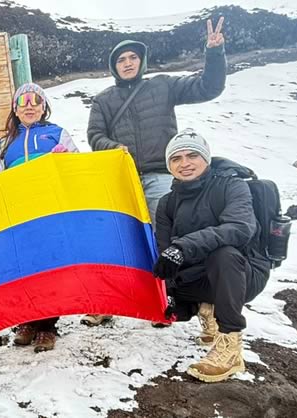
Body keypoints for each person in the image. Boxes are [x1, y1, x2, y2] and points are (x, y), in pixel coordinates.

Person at [84, 17, 228, 327]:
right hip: (121, 179)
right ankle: (110, 302)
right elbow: (95, 136)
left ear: (142, 61)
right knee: (118, 243)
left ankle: (169, 302)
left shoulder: (163, 85)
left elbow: (208, 87)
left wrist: (214, 53)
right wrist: (112, 147)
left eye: (133, 57)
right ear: (114, 66)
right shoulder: (104, 100)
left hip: (161, 177)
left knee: (168, 240)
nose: (127, 63)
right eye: (121, 59)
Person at [154, 130, 270, 383]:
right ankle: (205, 308)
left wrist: (183, 246)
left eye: (192, 155)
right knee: (165, 277)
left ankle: (230, 345)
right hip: (199, 276)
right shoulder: (167, 203)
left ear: (206, 158)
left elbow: (240, 228)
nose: (184, 163)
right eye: (176, 158)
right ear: (169, 165)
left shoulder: (232, 185)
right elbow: (165, 251)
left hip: (242, 274)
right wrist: (170, 294)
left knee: (223, 254)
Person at [0, 82, 77, 352]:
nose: (29, 106)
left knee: (49, 270)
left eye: (35, 101)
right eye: (23, 101)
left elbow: (77, 169)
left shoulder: (57, 134)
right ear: (15, 109)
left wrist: (63, 162)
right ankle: (27, 321)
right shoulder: (4, 144)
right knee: (23, 269)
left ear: (44, 108)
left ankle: (48, 327)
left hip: (50, 214)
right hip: (19, 217)